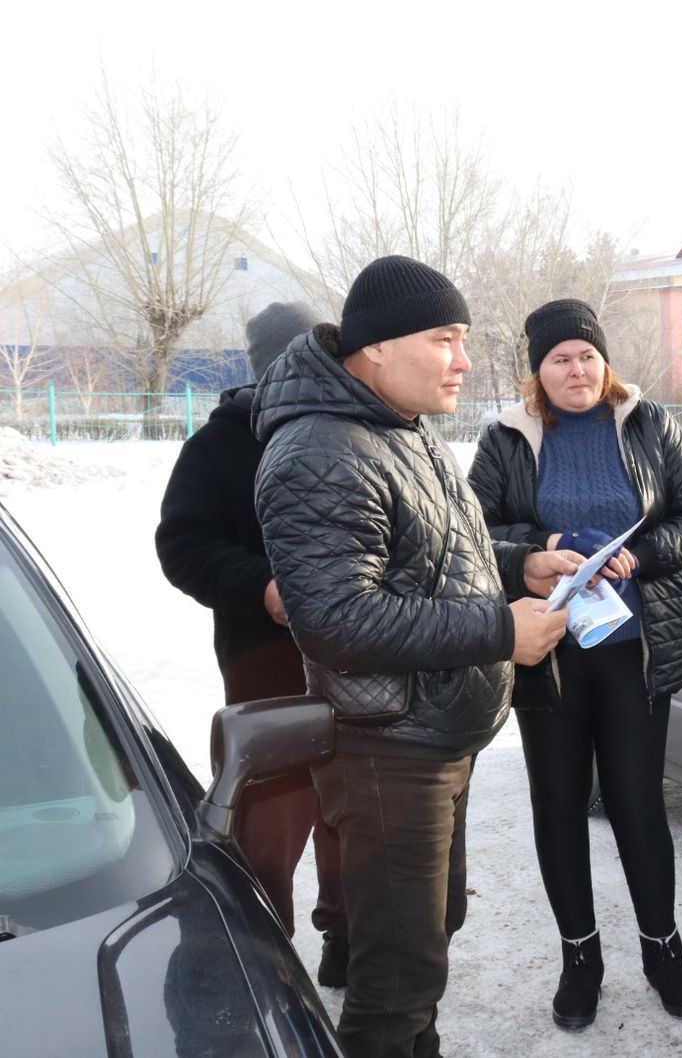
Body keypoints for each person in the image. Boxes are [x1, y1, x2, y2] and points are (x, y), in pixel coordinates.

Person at [252, 255, 578, 1058]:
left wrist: (520, 566)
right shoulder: (320, 451)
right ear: (376, 349)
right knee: (396, 981)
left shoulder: (400, 430)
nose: (464, 360)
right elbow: (337, 621)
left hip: (435, 733)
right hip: (386, 749)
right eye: (446, 339)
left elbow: (438, 558)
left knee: (430, 936)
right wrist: (503, 630)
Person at [467, 298, 682, 1029]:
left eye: (586, 356)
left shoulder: (648, 425)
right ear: (537, 372)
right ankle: (580, 958)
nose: (576, 370)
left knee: (639, 806)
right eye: (559, 359)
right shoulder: (506, 440)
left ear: (603, 362)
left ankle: (662, 950)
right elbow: (472, 535)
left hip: (635, 653)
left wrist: (638, 556)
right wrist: (536, 555)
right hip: (547, 655)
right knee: (557, 806)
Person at [153, 300, 349, 986]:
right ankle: (266, 956)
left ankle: (346, 936)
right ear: (267, 368)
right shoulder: (219, 446)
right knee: (269, 821)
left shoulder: (351, 430)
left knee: (350, 812)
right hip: (265, 666)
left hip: (360, 664)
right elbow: (183, 546)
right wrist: (261, 587)